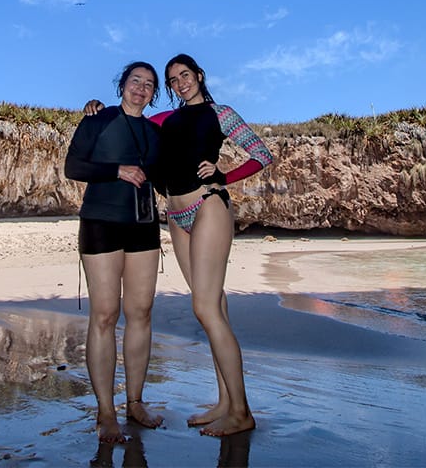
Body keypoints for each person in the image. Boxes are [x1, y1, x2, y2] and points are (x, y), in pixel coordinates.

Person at [84, 54, 273, 437]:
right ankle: (224, 401)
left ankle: (241, 411)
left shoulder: (221, 113)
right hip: (174, 216)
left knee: (205, 307)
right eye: (172, 80)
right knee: (214, 303)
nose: (180, 82)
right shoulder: (164, 120)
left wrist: (225, 174)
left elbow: (261, 154)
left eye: (185, 75)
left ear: (199, 76)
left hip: (207, 206)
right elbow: (129, 117)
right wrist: (96, 109)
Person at [64, 61, 165, 443]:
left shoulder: (155, 132)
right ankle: (106, 412)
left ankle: (135, 402)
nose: (141, 88)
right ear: (121, 85)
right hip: (101, 222)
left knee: (141, 313)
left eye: (149, 85)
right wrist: (117, 171)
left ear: (154, 94)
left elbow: (167, 175)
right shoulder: (97, 119)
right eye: (135, 81)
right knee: (105, 315)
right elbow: (72, 166)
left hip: (143, 226)